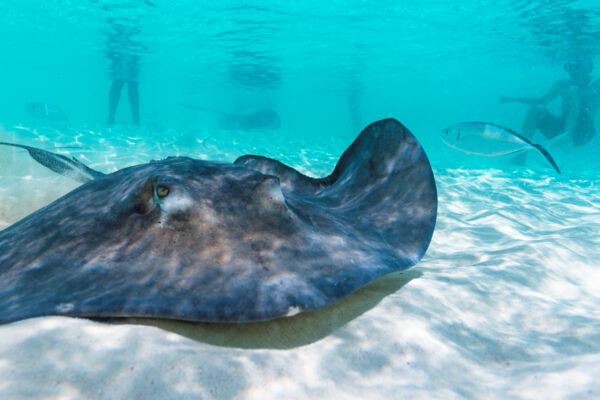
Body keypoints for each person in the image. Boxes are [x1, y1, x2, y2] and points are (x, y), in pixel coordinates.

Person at [500, 58, 600, 149]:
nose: (572, 71)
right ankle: (520, 156)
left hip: (584, 134)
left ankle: (567, 137)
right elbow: (541, 101)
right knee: (535, 110)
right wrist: (512, 99)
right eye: (568, 67)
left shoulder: (596, 85)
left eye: (577, 66)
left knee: (575, 100)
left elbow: (577, 103)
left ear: (588, 68)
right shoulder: (563, 84)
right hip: (559, 131)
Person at [105, 17, 144, 125]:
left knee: (127, 82)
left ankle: (114, 119)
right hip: (127, 40)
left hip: (126, 41)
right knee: (125, 82)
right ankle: (113, 118)